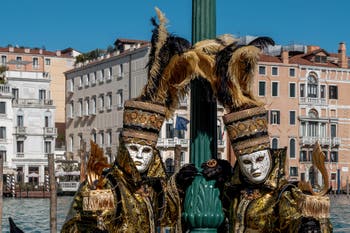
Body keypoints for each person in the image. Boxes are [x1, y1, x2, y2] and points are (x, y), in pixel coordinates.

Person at [61, 8, 197, 233]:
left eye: (146, 151)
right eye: (134, 149)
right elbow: (86, 225)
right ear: (124, 148)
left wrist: (179, 185)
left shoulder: (154, 187)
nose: (140, 158)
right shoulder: (106, 186)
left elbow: (168, 218)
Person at [201, 38, 333, 233]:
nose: (254, 168)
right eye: (247, 163)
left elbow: (292, 220)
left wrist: (306, 227)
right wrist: (220, 175)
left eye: (259, 159)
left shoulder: (282, 194)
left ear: (270, 155)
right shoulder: (233, 191)